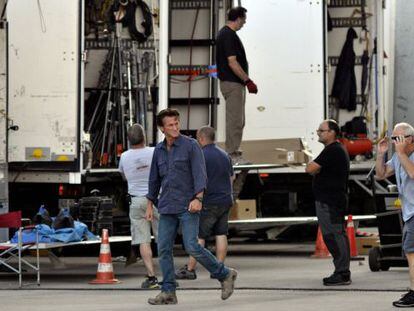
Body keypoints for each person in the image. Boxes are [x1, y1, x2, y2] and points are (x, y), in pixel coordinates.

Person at [146, 108, 238, 305]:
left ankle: (225, 274)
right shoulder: (158, 150)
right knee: (163, 249)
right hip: (167, 206)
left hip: (188, 205)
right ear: (162, 128)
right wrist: (149, 203)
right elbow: (154, 179)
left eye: (176, 123)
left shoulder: (191, 145)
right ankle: (168, 291)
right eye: (170, 125)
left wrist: (198, 198)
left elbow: (200, 174)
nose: (175, 128)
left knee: (192, 246)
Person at [175, 126, 234, 280]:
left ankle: (190, 268)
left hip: (209, 200)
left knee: (199, 236)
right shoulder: (225, 155)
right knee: (221, 234)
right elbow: (231, 178)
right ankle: (218, 269)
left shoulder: (200, 155)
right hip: (226, 199)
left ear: (201, 138)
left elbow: (195, 178)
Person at [305, 119, 351, 286]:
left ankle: (342, 272)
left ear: (332, 132)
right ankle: (342, 271)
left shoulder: (333, 150)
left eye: (321, 130)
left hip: (330, 201)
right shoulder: (334, 150)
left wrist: (313, 168)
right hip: (332, 200)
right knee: (336, 234)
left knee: (333, 235)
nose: (318, 132)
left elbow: (310, 169)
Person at [375, 123, 414, 308]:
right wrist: (381, 153)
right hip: (409, 212)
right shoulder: (399, 157)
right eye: (393, 139)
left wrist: (400, 153)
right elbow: (381, 174)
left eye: (397, 139)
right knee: (410, 252)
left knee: (411, 253)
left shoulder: (405, 156)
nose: (394, 143)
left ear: (410, 139)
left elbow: (413, 173)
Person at [118, 124, 160, 289]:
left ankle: (151, 277)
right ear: (145, 137)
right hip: (156, 200)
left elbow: (123, 176)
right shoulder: (154, 152)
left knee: (143, 240)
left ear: (128, 140)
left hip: (136, 201)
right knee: (163, 238)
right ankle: (168, 276)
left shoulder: (124, 157)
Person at [216, 6, 258, 165]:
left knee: (238, 120)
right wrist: (248, 80)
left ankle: (234, 152)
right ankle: (232, 155)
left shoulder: (227, 34)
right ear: (238, 18)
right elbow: (232, 62)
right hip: (232, 83)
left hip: (233, 83)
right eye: (244, 20)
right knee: (235, 120)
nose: (244, 23)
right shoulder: (228, 35)